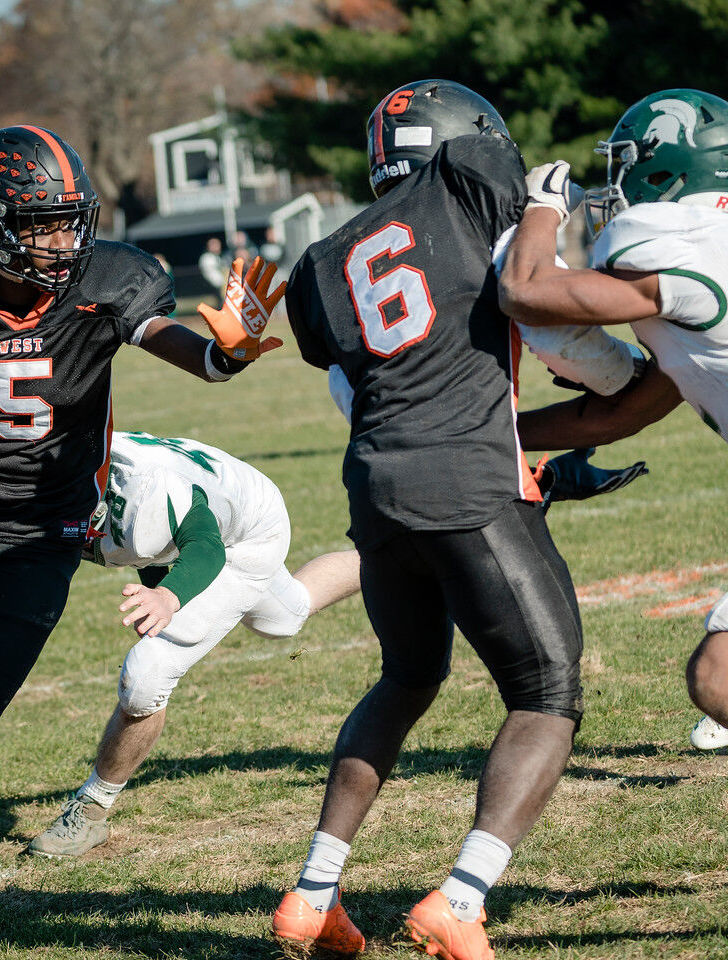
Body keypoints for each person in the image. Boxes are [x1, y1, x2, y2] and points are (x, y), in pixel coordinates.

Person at [0, 124, 284, 960]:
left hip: (43, 537)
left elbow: (187, 353)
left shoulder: (110, 282)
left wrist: (228, 357)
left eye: (70, 219)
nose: (62, 240)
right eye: (40, 223)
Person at [271, 80, 586, 960]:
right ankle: (462, 896)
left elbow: (354, 356)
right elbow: (520, 283)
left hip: (375, 490)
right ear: (459, 142)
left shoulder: (320, 258)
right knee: (546, 690)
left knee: (406, 680)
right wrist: (547, 207)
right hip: (466, 483)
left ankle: (312, 893)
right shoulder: (471, 172)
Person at [500, 89, 728, 763]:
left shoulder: (686, 251)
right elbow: (626, 412)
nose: (615, 183)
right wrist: (504, 434)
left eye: (626, 164)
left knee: (721, 679)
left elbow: (524, 291)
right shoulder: (721, 262)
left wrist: (542, 208)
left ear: (667, 172)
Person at [25, 430, 362, 857]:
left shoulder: (144, 489)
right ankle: (391, 559)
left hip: (246, 532)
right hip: (227, 503)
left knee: (146, 676)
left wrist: (168, 596)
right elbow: (146, 546)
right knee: (286, 615)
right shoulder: (73, 464)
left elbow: (202, 547)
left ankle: (91, 811)